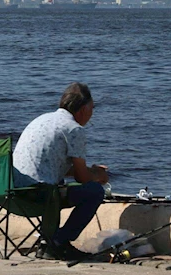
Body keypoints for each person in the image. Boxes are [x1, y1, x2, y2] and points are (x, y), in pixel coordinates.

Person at [12, 82, 108, 261]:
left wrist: (90, 171)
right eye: (92, 108)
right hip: (39, 195)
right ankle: (57, 242)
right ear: (83, 110)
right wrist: (97, 175)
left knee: (60, 184)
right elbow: (83, 178)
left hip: (13, 190)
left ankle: (49, 241)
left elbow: (50, 165)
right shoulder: (74, 129)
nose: (92, 114)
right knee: (94, 192)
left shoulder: (42, 119)